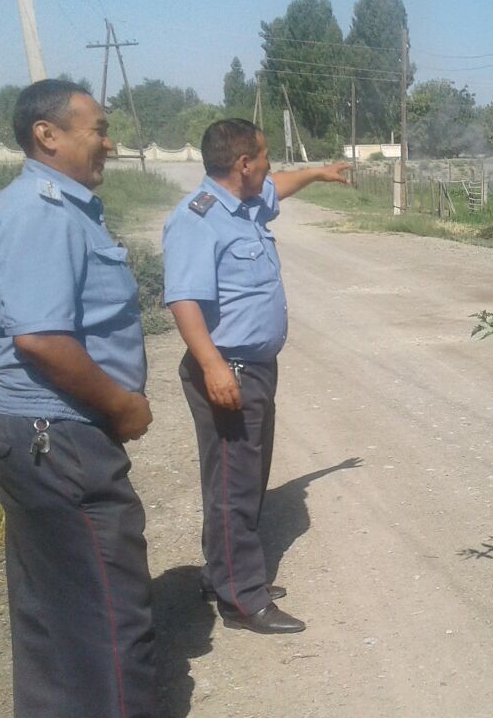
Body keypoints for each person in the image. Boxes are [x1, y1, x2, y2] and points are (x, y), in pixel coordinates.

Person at [0, 79, 157, 717]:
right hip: (59, 437)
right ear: (47, 135)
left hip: (45, 435)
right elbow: (43, 340)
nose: (109, 142)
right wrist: (123, 404)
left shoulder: (57, 207)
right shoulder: (41, 212)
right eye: (98, 129)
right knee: (109, 613)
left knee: (56, 610)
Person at [162, 119, 349, 634]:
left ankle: (222, 574)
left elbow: (278, 187)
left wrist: (317, 173)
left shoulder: (243, 204)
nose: (270, 165)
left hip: (253, 368)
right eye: (264, 156)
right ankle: (242, 598)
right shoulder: (198, 218)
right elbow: (183, 299)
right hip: (229, 370)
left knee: (242, 478)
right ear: (243, 164)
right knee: (235, 487)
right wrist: (213, 366)